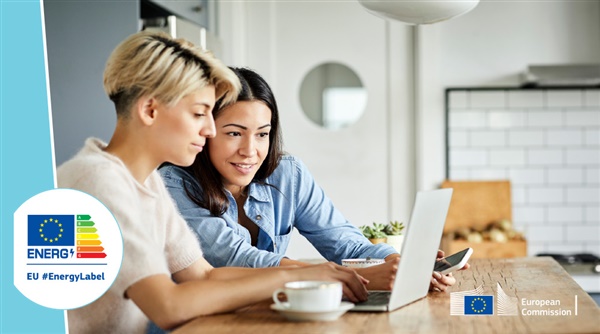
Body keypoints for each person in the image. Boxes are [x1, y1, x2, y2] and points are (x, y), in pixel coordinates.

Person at [57, 31, 368, 334]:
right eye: (198, 114)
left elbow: (203, 276)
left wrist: (309, 274)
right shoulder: (96, 180)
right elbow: (169, 307)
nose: (209, 131)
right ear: (150, 110)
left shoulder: (146, 182)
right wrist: (289, 277)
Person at [159, 67, 467, 292]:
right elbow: (236, 260)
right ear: (207, 131)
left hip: (262, 315)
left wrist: (402, 265)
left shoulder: (286, 173)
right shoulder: (174, 183)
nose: (250, 151)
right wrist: (347, 276)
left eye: (262, 134)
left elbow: (345, 242)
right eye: (234, 133)